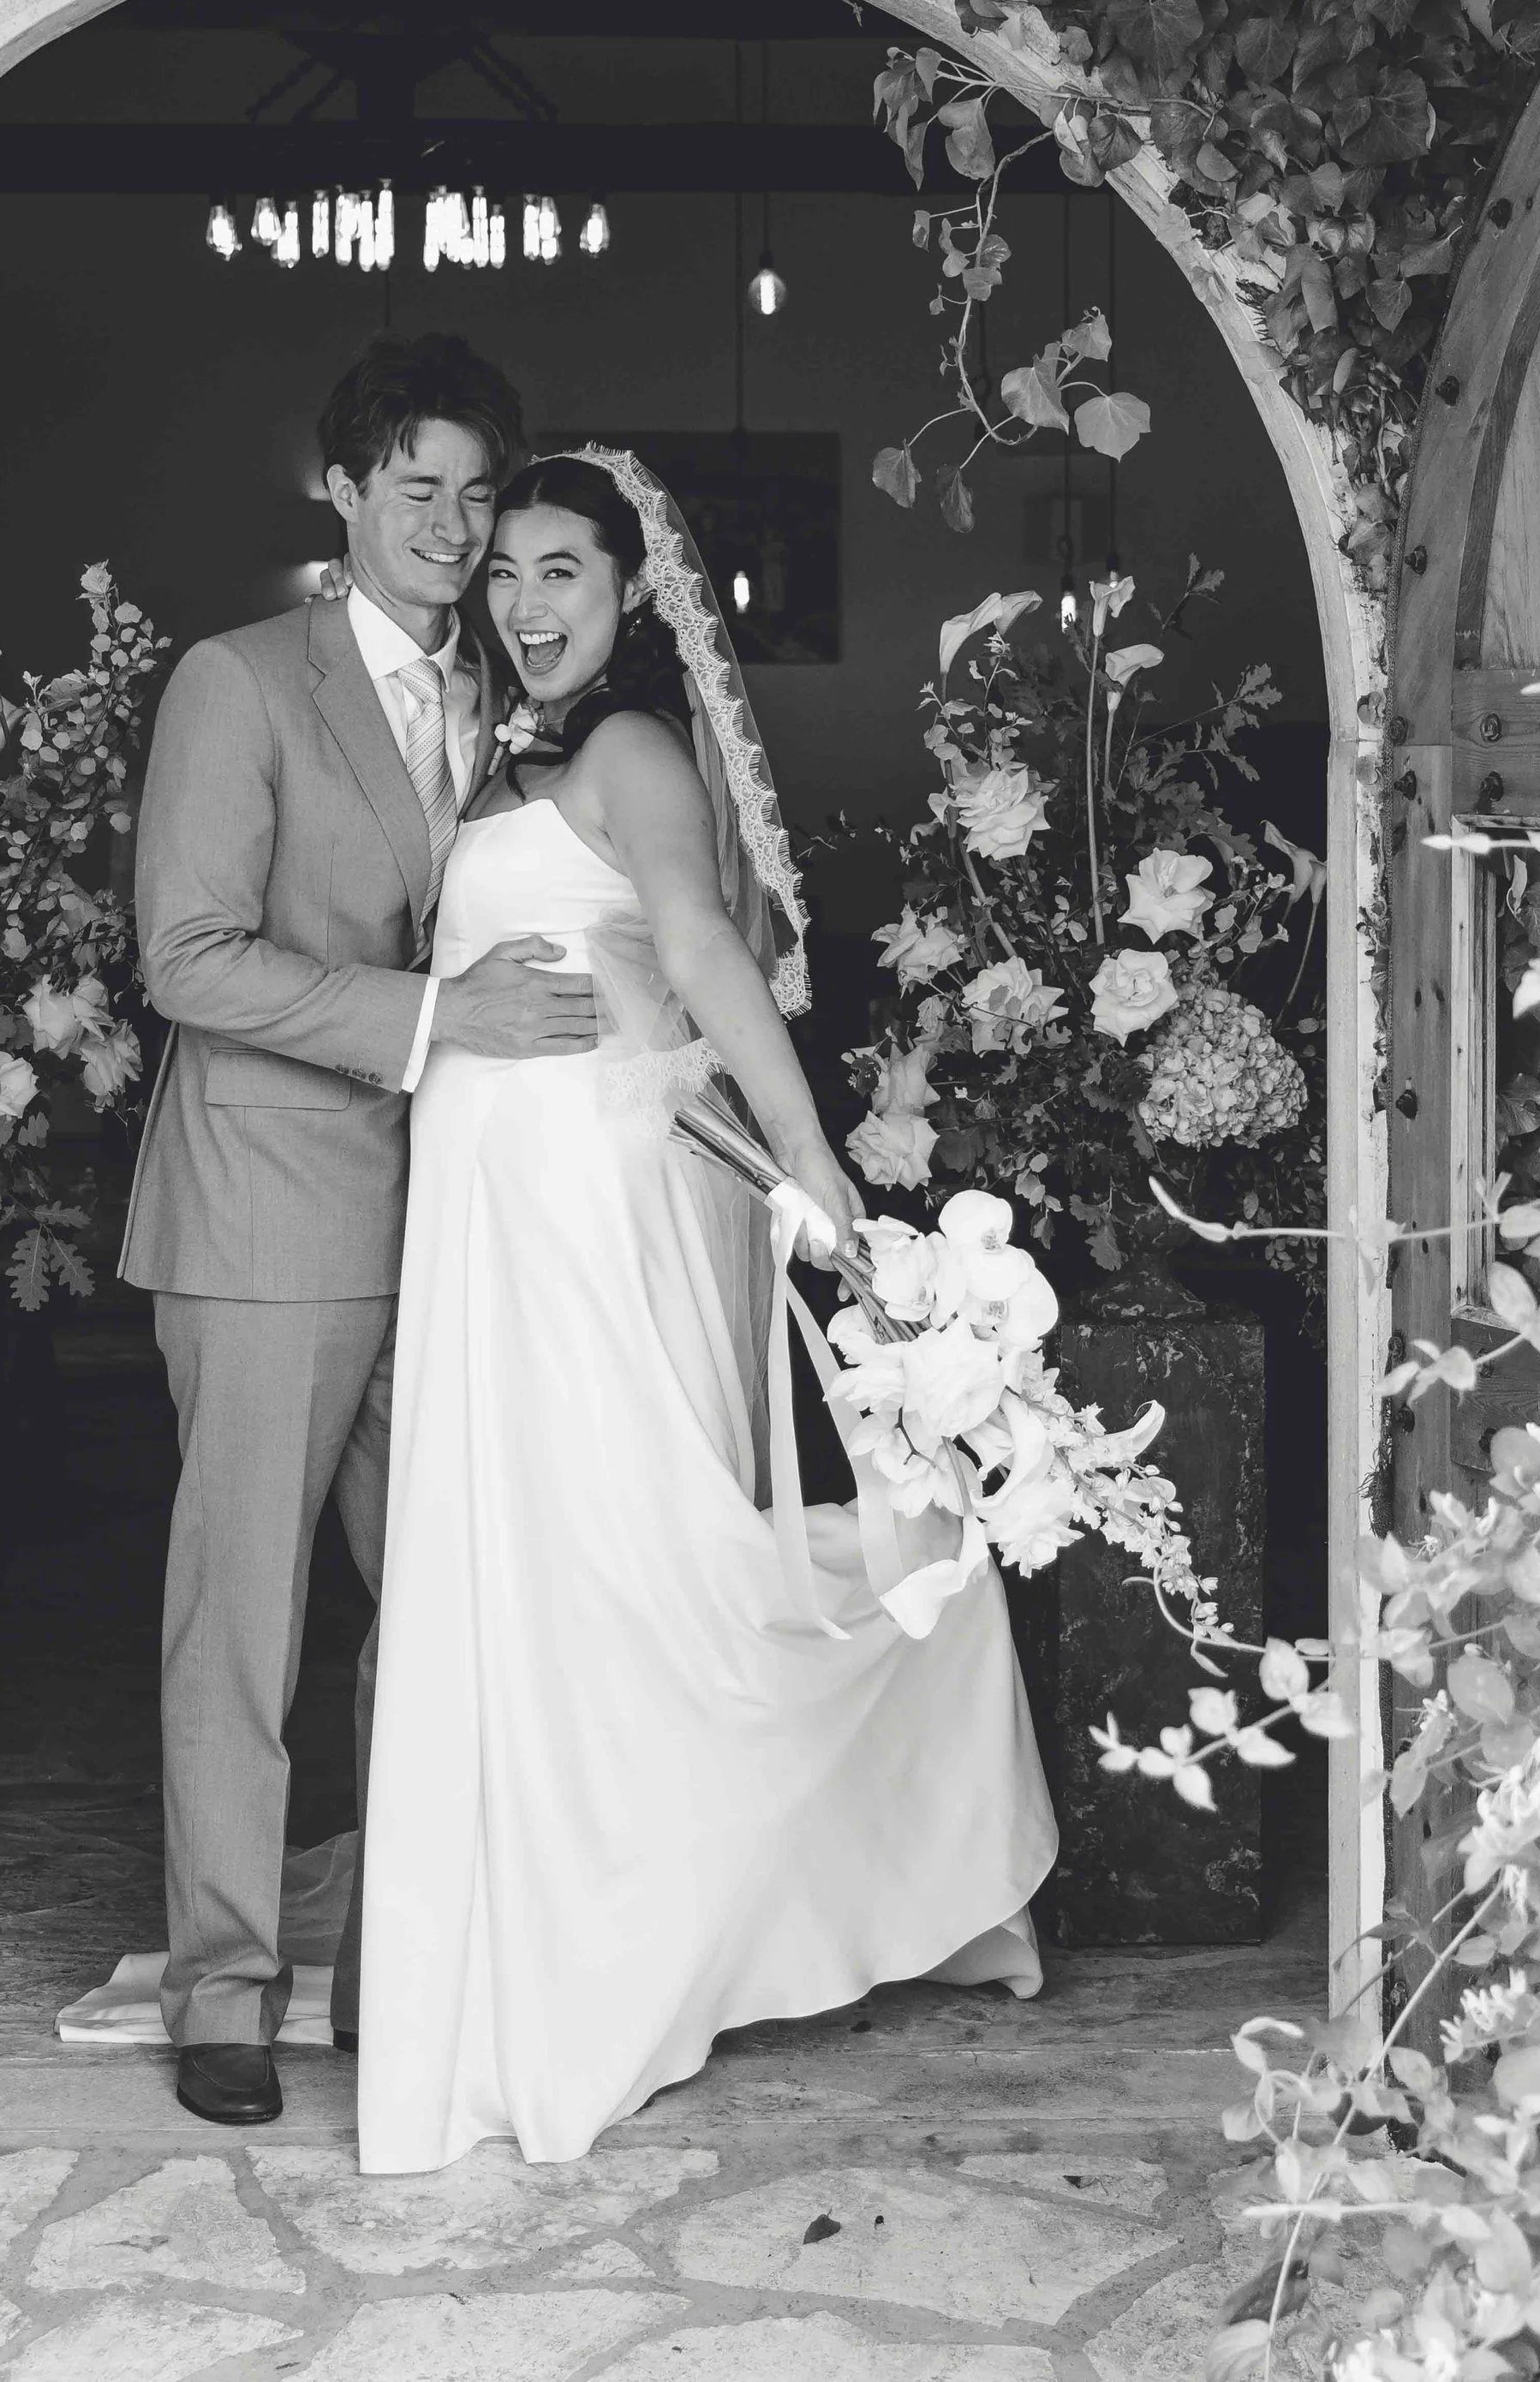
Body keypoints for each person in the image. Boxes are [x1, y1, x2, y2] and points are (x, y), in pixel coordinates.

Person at [355, 446, 1058, 2173]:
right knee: (538, 1573)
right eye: (506, 569)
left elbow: (696, 944)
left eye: (561, 572)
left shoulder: (633, 752)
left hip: (579, 1210)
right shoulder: (508, 751)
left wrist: (811, 1158)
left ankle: (788, 1891)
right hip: (491, 1204)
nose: (524, 601)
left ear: (631, 593)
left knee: (622, 1563)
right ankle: (561, 1919)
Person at [118, 335, 600, 2131]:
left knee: (452, 1611)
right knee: (243, 1625)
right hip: (264, 1215)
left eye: (477, 494)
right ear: (342, 494)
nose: (453, 527)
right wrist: (433, 1021)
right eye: (417, 489)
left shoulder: (514, 696)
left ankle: (412, 1980)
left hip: (464, 1224)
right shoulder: (239, 680)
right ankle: (224, 1995)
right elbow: (185, 958)